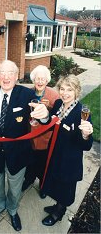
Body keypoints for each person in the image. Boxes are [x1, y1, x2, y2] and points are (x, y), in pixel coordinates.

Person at [0, 60, 48, 232]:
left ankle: (13, 210)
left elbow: (39, 116)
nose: (6, 76)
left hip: (18, 154)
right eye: (2, 72)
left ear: (17, 76)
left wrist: (44, 114)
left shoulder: (25, 95)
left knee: (15, 188)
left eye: (10, 73)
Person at [41, 74, 93, 226]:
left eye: (69, 89)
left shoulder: (82, 113)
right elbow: (50, 121)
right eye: (62, 89)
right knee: (55, 182)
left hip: (69, 160)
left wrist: (85, 135)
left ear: (77, 91)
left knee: (65, 188)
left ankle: (59, 212)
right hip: (54, 153)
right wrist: (43, 116)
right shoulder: (58, 104)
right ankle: (57, 205)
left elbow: (87, 145)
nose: (64, 93)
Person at [22, 65, 59, 196]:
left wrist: (48, 107)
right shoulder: (28, 93)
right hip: (30, 135)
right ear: (33, 80)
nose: (40, 81)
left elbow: (57, 116)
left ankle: (43, 185)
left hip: (45, 137)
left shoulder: (54, 95)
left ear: (47, 80)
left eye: (43, 79)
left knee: (44, 164)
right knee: (30, 161)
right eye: (37, 78)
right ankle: (29, 180)